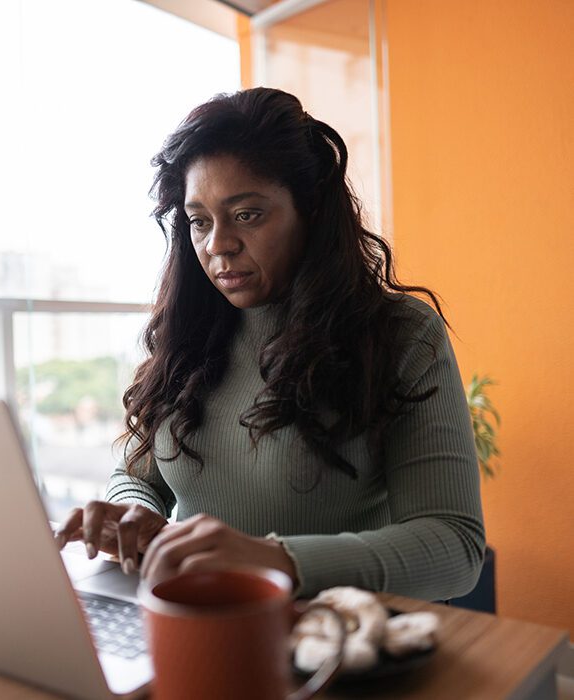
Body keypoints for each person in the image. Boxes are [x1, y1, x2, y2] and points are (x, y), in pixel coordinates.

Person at [55, 87, 484, 601]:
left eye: (247, 215)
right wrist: (136, 516)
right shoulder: (187, 333)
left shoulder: (399, 334)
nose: (217, 245)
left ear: (312, 212)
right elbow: (138, 474)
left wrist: (276, 559)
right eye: (199, 221)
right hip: (184, 618)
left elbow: (454, 546)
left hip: (323, 639)